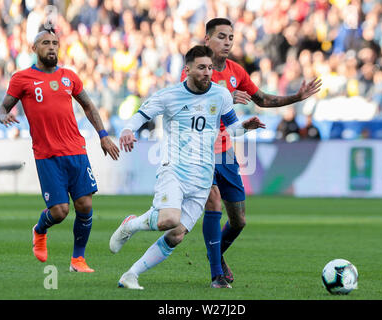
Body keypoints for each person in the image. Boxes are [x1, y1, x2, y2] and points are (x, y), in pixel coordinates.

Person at [109, 45, 265, 289]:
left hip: (202, 178)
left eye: (210, 68)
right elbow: (142, 114)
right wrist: (128, 129)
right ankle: (131, 224)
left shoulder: (221, 95)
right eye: (201, 67)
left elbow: (232, 128)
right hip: (175, 169)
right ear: (188, 69)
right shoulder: (169, 96)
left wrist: (246, 127)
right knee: (168, 220)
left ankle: (131, 274)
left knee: (177, 234)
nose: (207, 73)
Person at [181, 18, 322, 287]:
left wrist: (296, 97)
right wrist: (222, 96)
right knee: (213, 203)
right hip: (200, 152)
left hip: (226, 152)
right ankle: (216, 274)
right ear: (207, 39)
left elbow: (263, 99)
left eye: (231, 38)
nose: (227, 42)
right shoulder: (196, 68)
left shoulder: (237, 71)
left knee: (239, 220)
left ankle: (216, 253)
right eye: (221, 36)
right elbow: (188, 99)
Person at [0, 29, 120, 272]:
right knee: (60, 211)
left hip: (76, 150)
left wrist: (103, 136)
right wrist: (3, 117)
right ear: (34, 48)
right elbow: (2, 108)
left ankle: (78, 260)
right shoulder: (22, 78)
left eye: (55, 43)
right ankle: (39, 230)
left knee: (85, 205)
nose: (51, 47)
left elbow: (88, 105)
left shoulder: (69, 76)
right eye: (45, 43)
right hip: (47, 155)